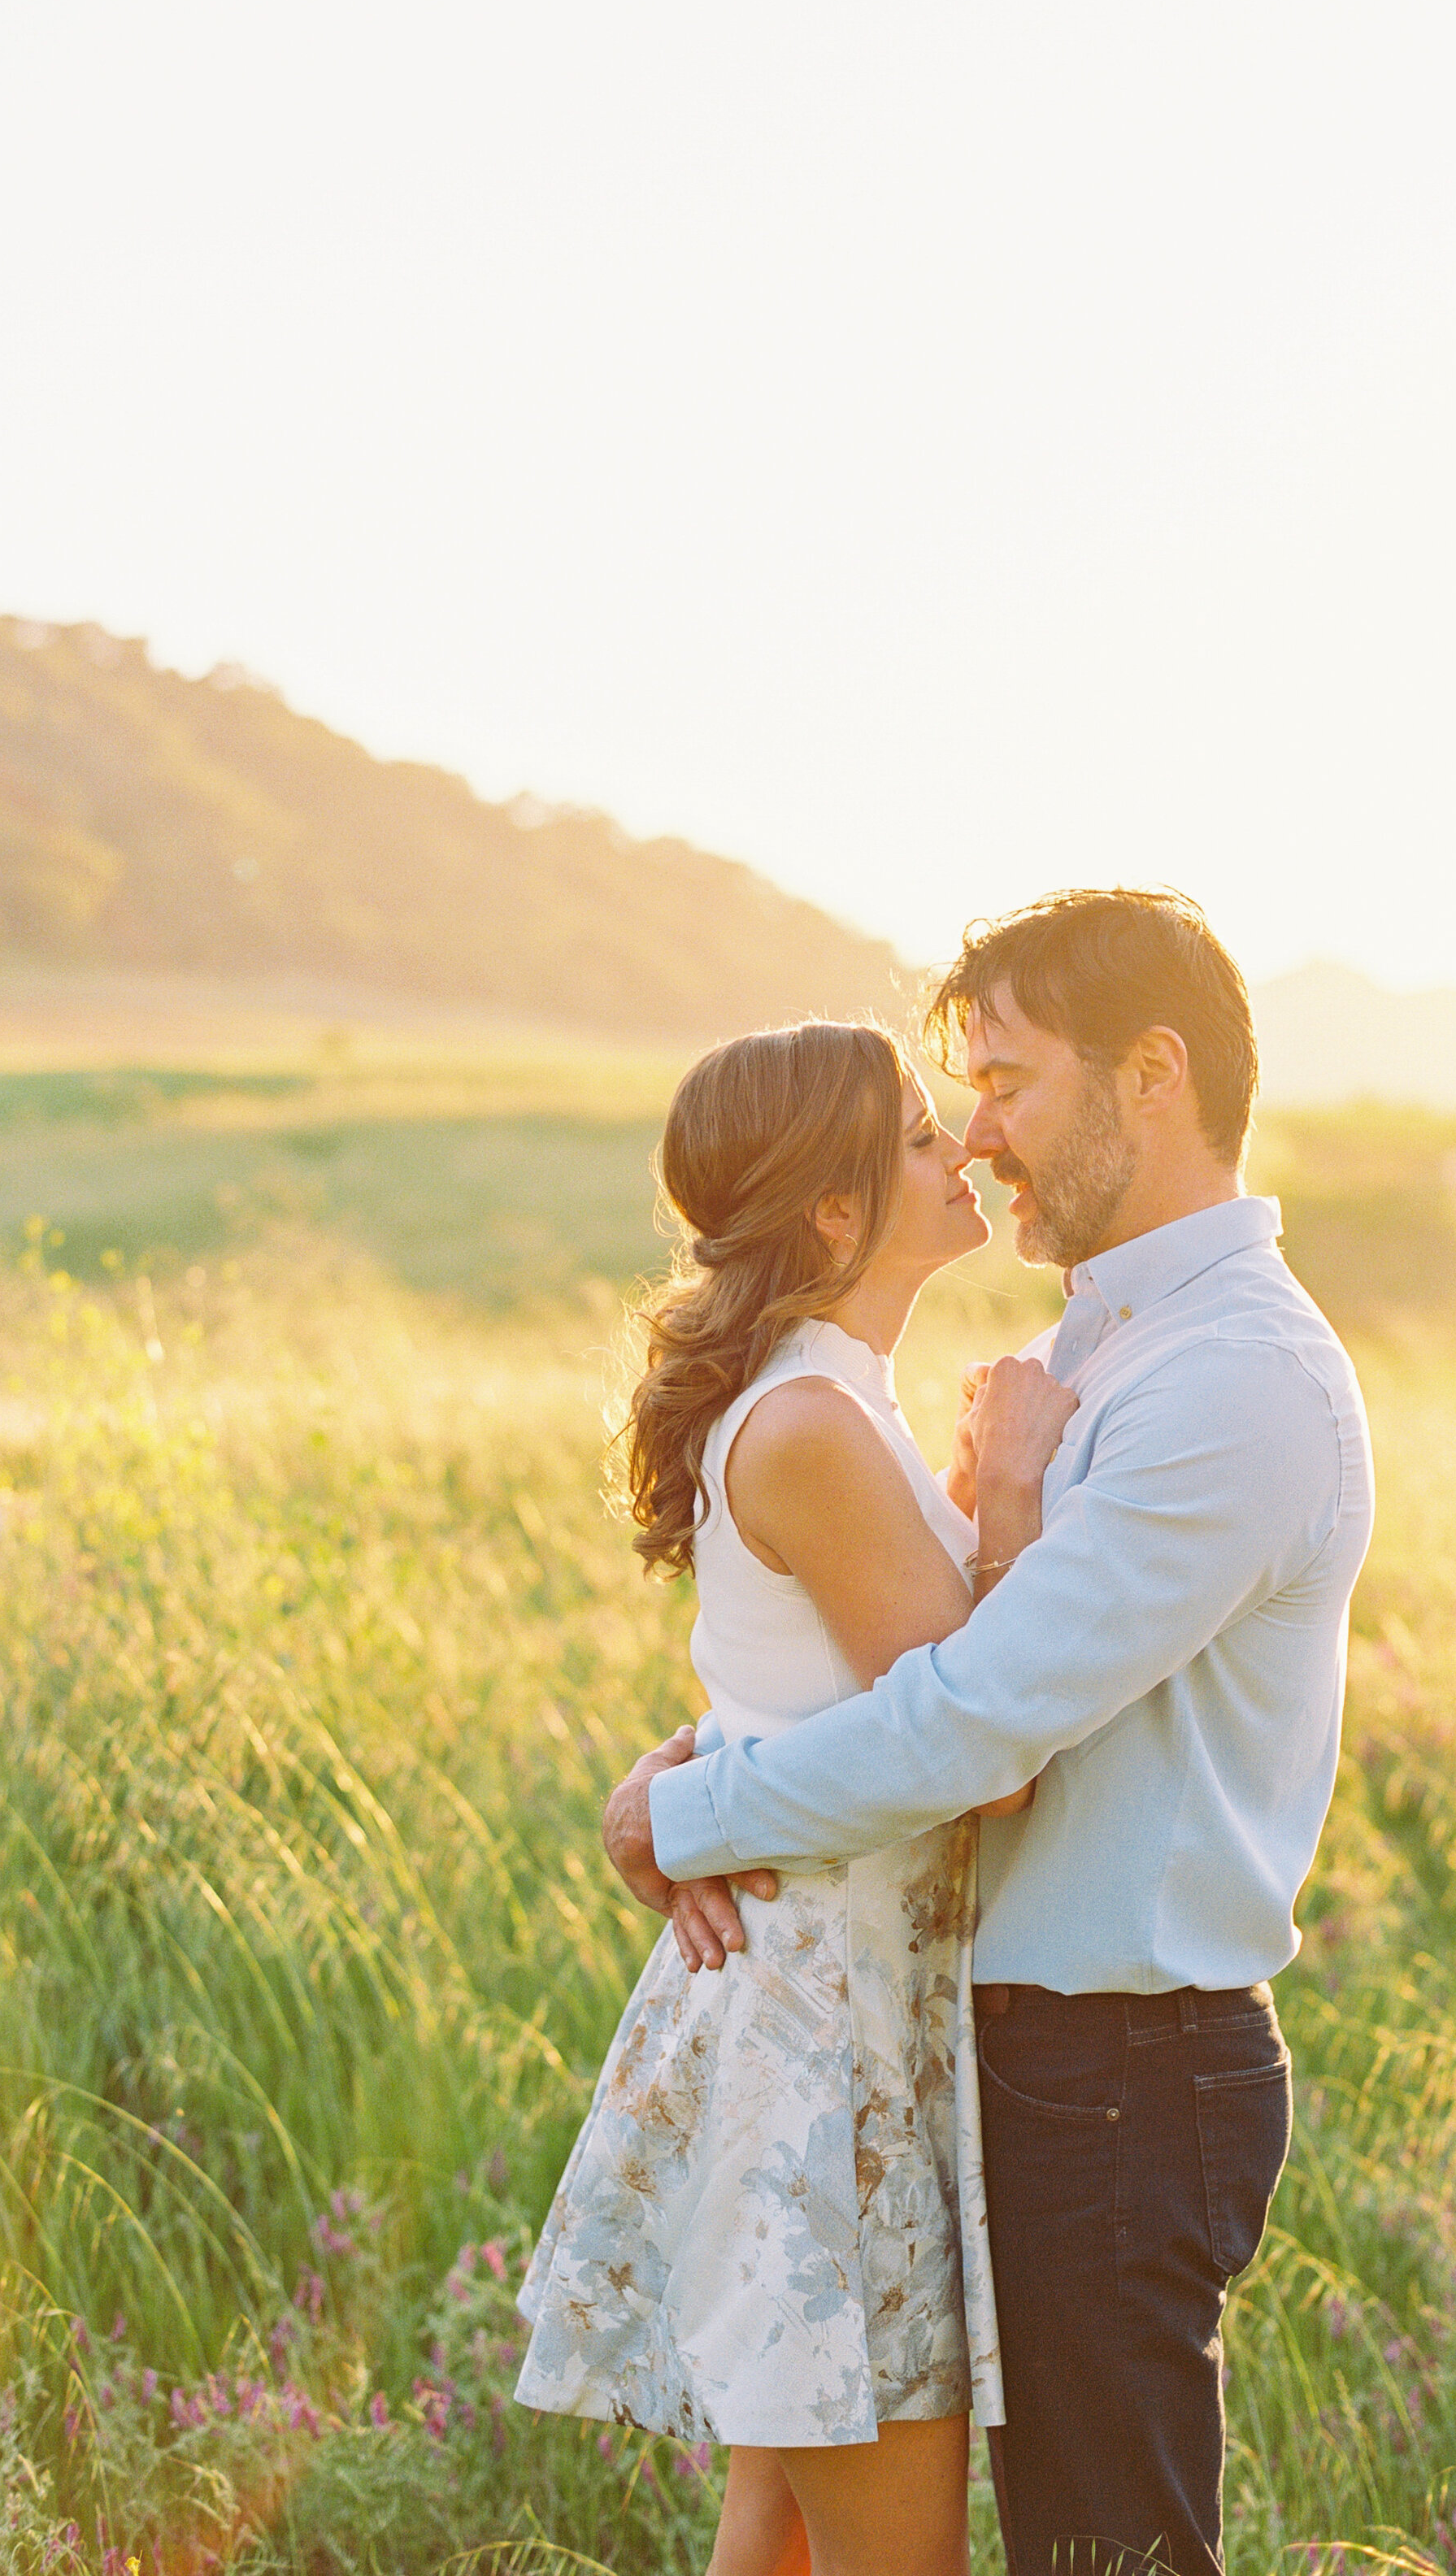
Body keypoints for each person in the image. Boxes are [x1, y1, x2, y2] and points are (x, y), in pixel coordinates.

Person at [607, 888, 1376, 2576]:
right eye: (953, 1100)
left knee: (1099, 2552)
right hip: (990, 2040)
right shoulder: (1091, 1343)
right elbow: (856, 1649)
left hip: (1123, 2060)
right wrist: (695, 1763)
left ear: (1151, 1073)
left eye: (1008, 1084)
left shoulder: (1224, 1382)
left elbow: (966, 1722)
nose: (980, 1137)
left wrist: (691, 1813)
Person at [513, 1019, 1079, 2576]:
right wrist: (1017, 1489)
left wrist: (672, 1782)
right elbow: (990, 1749)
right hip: (831, 2038)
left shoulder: (831, 1399)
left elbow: (810, 1689)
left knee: (777, 2531)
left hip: (831, 2006)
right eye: (913, 1134)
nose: (957, 1144)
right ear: (833, 1214)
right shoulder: (814, 1422)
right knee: (890, 2555)